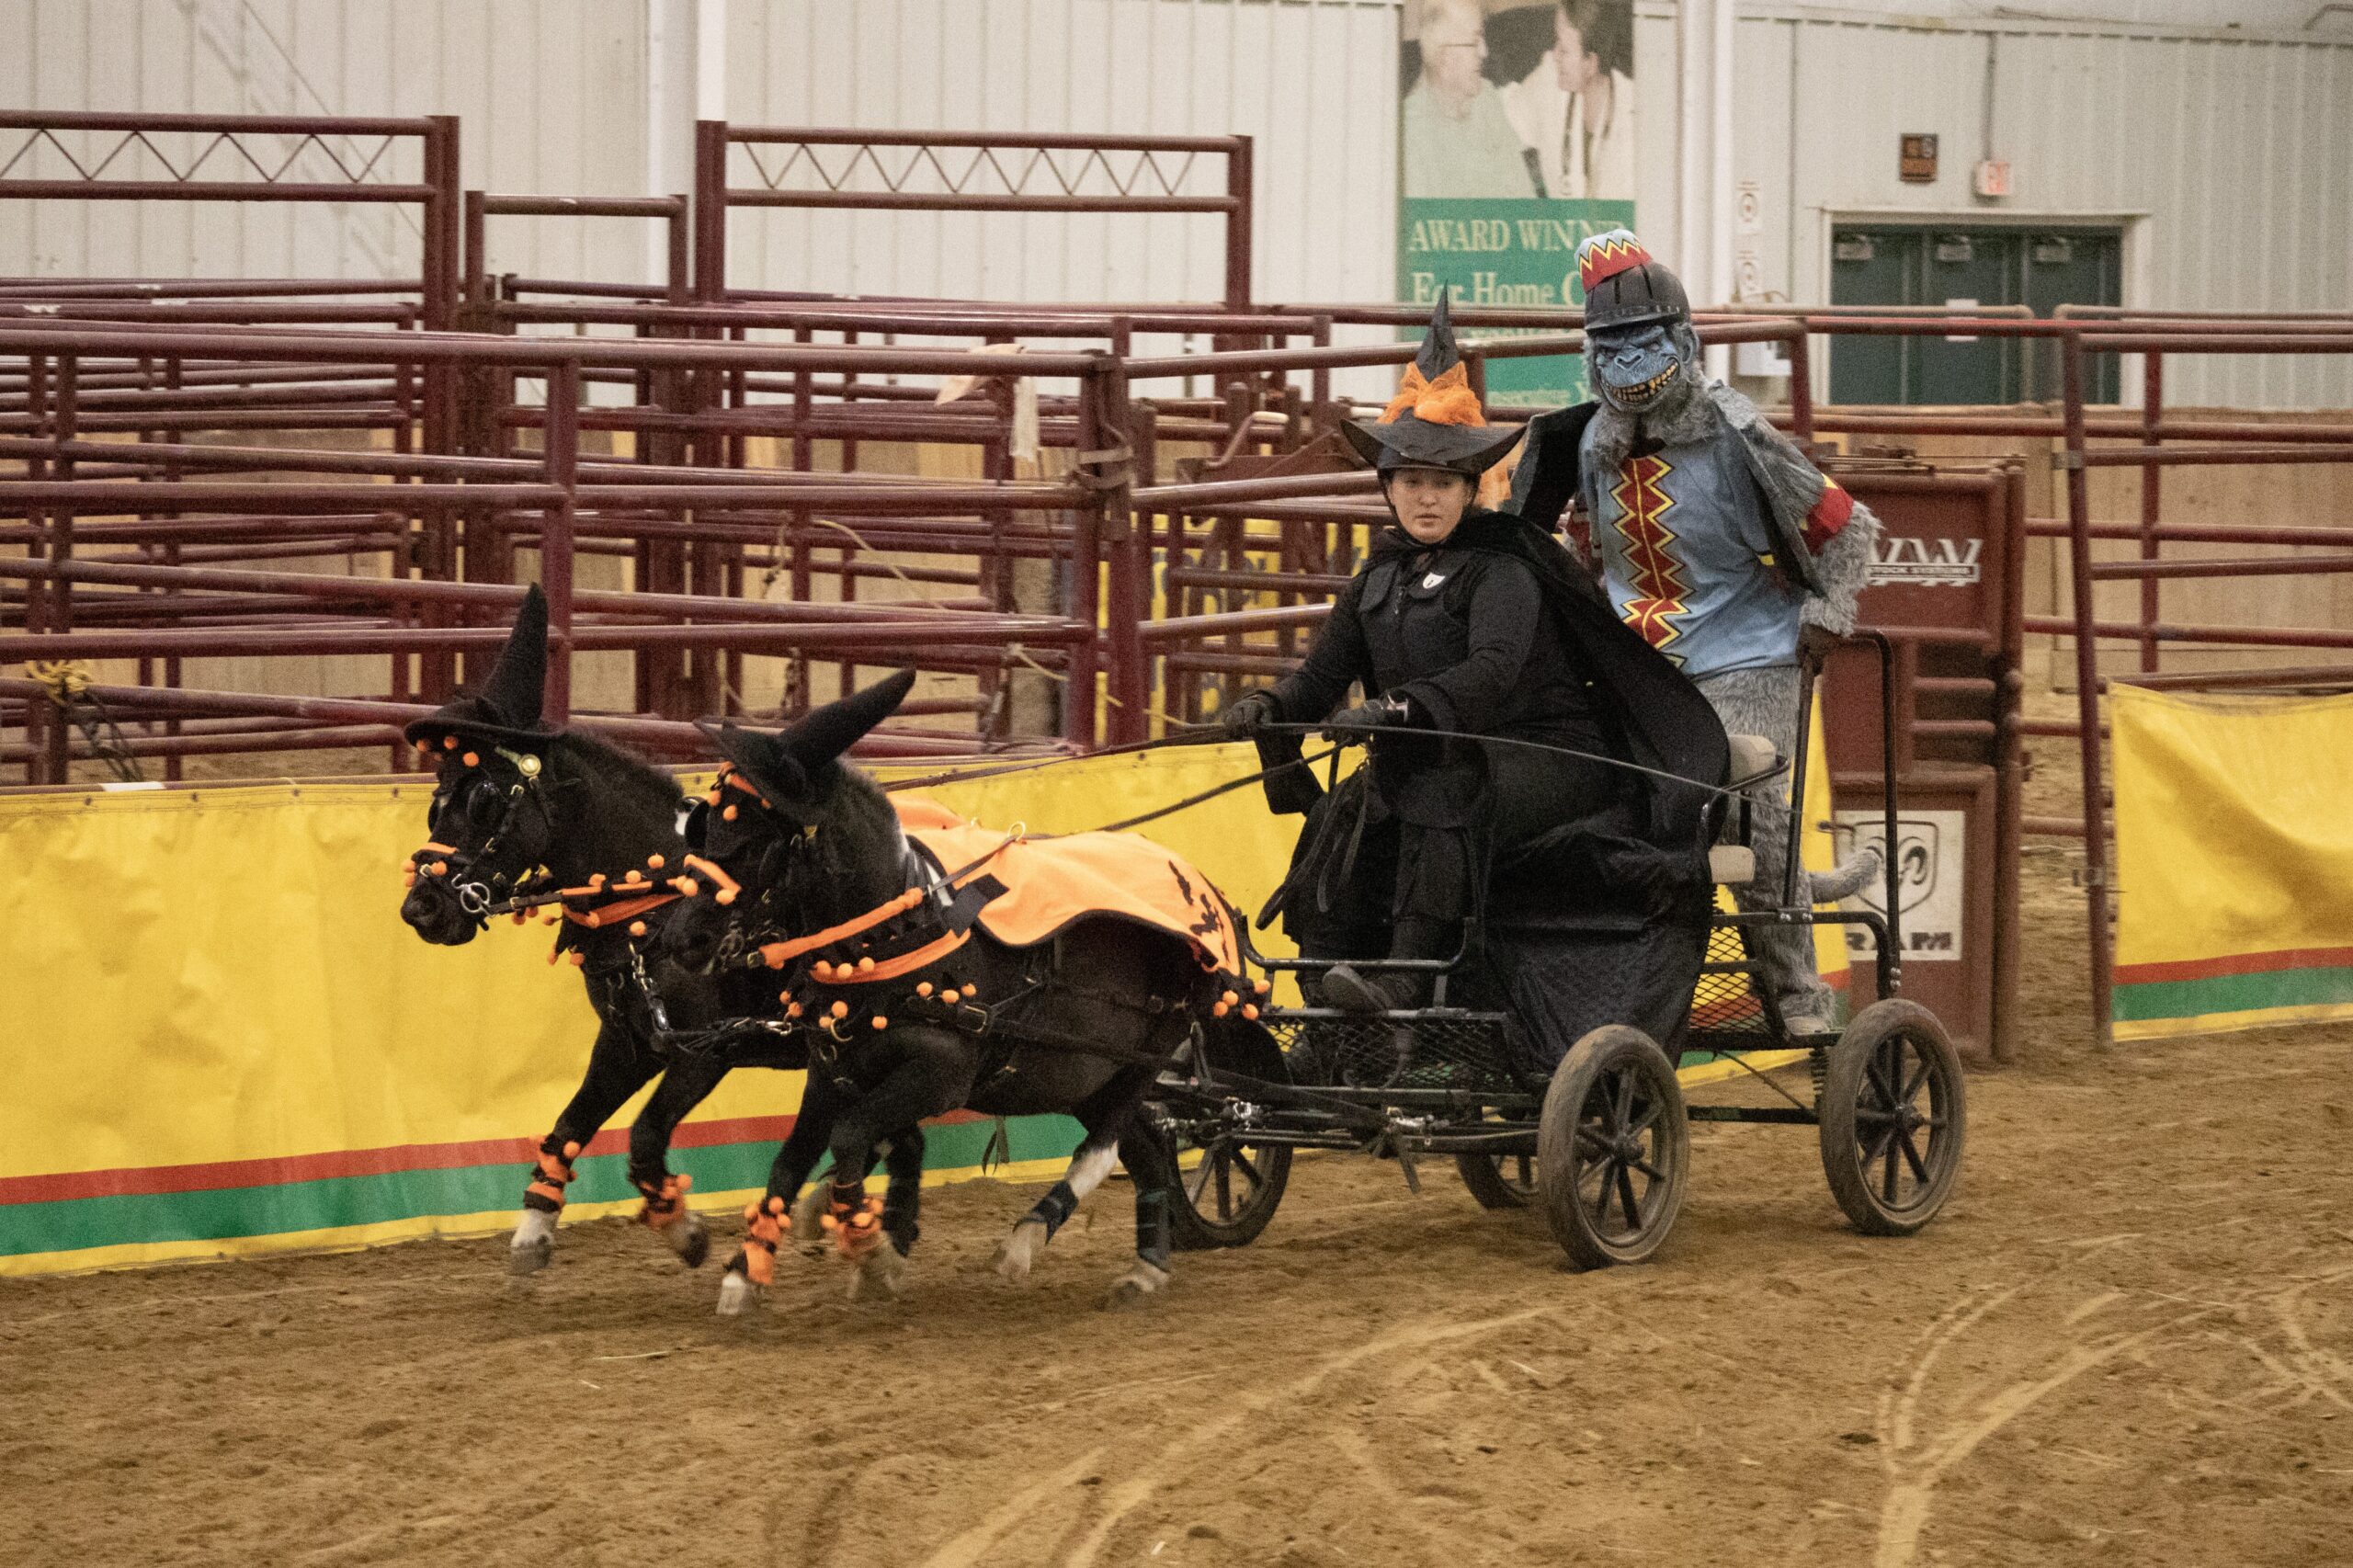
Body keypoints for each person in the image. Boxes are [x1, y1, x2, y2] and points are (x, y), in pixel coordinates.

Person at [1221, 293, 1725, 1014]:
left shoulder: (1505, 570)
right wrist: (1269, 707)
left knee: (1440, 786)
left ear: (1468, 488)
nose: (1425, 499)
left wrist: (1397, 708)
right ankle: (1329, 994)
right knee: (1350, 806)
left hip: (1556, 760)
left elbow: (1489, 674)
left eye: (1441, 483)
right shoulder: (1377, 576)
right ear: (1388, 488)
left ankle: (1408, 973)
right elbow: (1321, 678)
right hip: (1442, 752)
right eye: (1411, 482)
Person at [1509, 228, 1880, 1031]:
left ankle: (1798, 996)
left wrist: (1826, 613)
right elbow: (1551, 547)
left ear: (1681, 340)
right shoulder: (1581, 444)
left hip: (1750, 650)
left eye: (1644, 343)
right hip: (1636, 661)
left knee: (1747, 797)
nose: (1630, 363)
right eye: (1611, 346)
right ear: (1589, 352)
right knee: (1576, 792)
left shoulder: (1738, 435)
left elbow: (1848, 530)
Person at [1404, 0, 1545, 200]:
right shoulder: (1410, 132)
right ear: (1444, 57)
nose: (1484, 52)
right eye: (1474, 41)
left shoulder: (1487, 99)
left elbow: (1524, 198)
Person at [1501, 0, 1635, 202]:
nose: (1554, 56)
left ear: (1590, 63)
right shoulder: (1549, 81)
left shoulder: (1635, 113)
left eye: (1564, 50)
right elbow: (1503, 116)